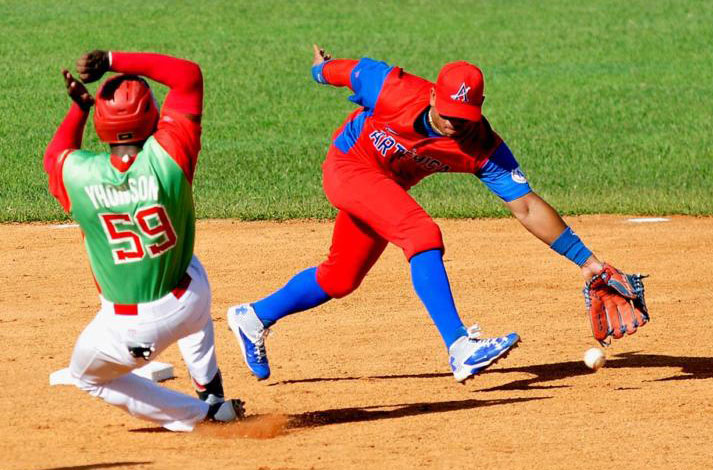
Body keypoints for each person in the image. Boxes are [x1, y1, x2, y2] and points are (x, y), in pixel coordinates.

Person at [227, 45, 648, 384]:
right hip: (348, 167)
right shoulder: (392, 88)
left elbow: (526, 205)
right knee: (420, 231)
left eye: (466, 118)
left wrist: (588, 262)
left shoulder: (481, 145)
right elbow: (346, 72)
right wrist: (322, 69)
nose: (455, 125)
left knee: (341, 277)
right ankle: (460, 346)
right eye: (448, 115)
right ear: (432, 97)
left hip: (384, 188)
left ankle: (254, 317)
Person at [44, 49, 244, 431]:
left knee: (87, 375)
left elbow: (56, 154)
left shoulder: (77, 175)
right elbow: (187, 75)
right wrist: (111, 58)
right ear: (152, 117)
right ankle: (210, 388)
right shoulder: (170, 154)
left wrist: (78, 111)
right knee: (187, 263)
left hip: (132, 332)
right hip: (190, 300)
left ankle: (204, 414)